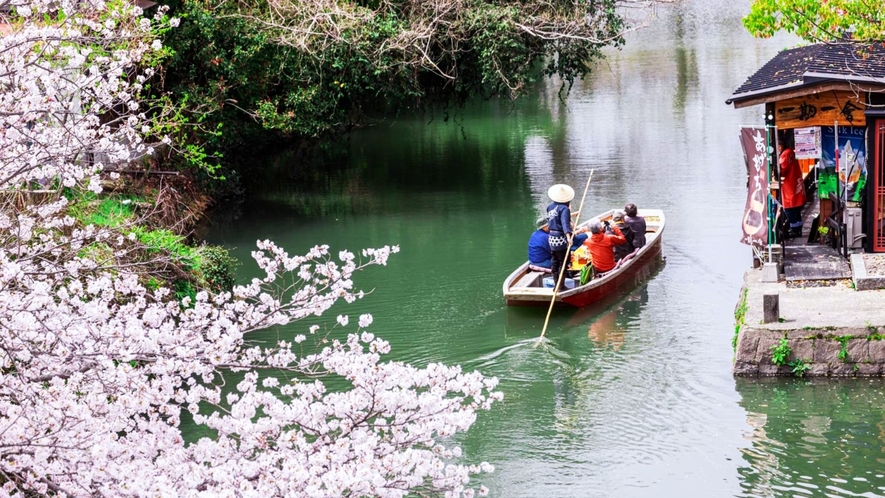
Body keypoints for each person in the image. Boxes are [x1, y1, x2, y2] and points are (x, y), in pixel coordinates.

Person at [545, 183, 575, 288]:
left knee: (555, 262)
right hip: (560, 239)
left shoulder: (550, 207)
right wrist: (568, 238)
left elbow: (550, 221)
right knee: (563, 263)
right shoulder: (564, 209)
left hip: (551, 238)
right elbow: (565, 224)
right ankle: (560, 286)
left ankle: (556, 286)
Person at [778, 141, 807, 237]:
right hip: (795, 180)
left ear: (781, 146)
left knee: (788, 208)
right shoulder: (791, 152)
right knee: (796, 208)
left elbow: (782, 171)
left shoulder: (785, 155)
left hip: (789, 184)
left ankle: (795, 229)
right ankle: (798, 229)